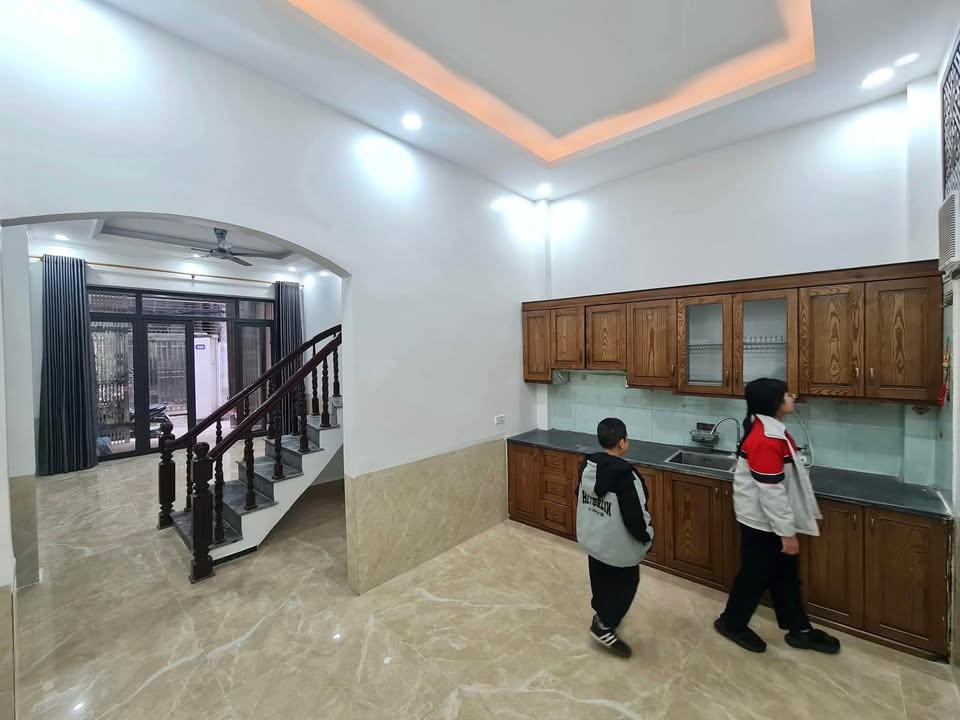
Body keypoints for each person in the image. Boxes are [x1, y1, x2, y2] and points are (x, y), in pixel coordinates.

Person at [714, 378, 840, 655]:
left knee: (785, 576)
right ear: (775, 403)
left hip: (768, 520)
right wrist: (786, 533)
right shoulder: (764, 438)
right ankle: (731, 623)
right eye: (787, 395)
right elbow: (771, 491)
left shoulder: (770, 430)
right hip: (761, 523)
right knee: (754, 577)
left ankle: (800, 629)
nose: (791, 397)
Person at [576, 417, 653, 658]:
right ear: (622, 443)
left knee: (599, 577)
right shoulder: (627, 477)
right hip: (617, 545)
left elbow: (580, 496)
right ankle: (605, 625)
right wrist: (646, 537)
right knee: (627, 583)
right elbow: (635, 515)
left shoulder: (587, 467)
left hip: (593, 538)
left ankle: (601, 613)